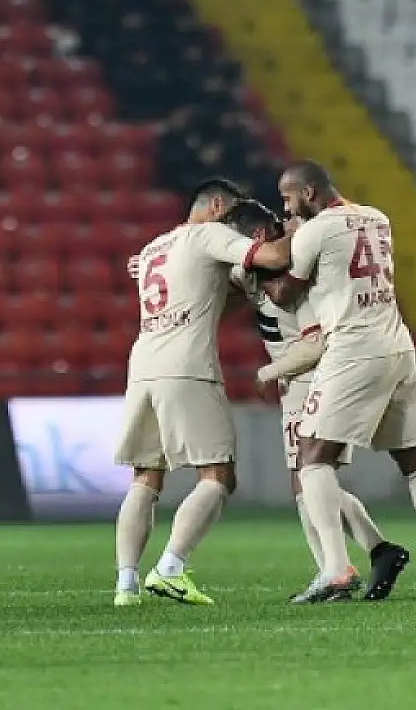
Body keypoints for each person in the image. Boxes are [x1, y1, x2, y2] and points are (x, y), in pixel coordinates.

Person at [265, 160, 416, 603]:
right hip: (398, 345)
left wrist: (260, 259)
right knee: (414, 461)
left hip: (353, 348)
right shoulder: (377, 217)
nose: (287, 207)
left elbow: (284, 295)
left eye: (288, 198)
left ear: (309, 194)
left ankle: (335, 569)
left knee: (311, 459)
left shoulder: (314, 231)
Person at [111, 178, 292, 607]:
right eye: (230, 211)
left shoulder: (154, 248)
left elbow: (209, 302)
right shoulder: (209, 235)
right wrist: (305, 231)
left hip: (143, 368)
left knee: (145, 477)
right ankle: (171, 568)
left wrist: (241, 285)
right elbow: (274, 256)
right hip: (187, 368)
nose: (233, 221)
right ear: (215, 206)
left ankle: (125, 585)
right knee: (218, 474)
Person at [228, 201, 411, 601]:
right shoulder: (257, 274)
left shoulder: (295, 280)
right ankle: (373, 551)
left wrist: (270, 372)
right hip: (297, 388)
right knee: (309, 482)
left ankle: (337, 570)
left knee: (307, 478)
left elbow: (315, 344)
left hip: (312, 383)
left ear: (255, 238)